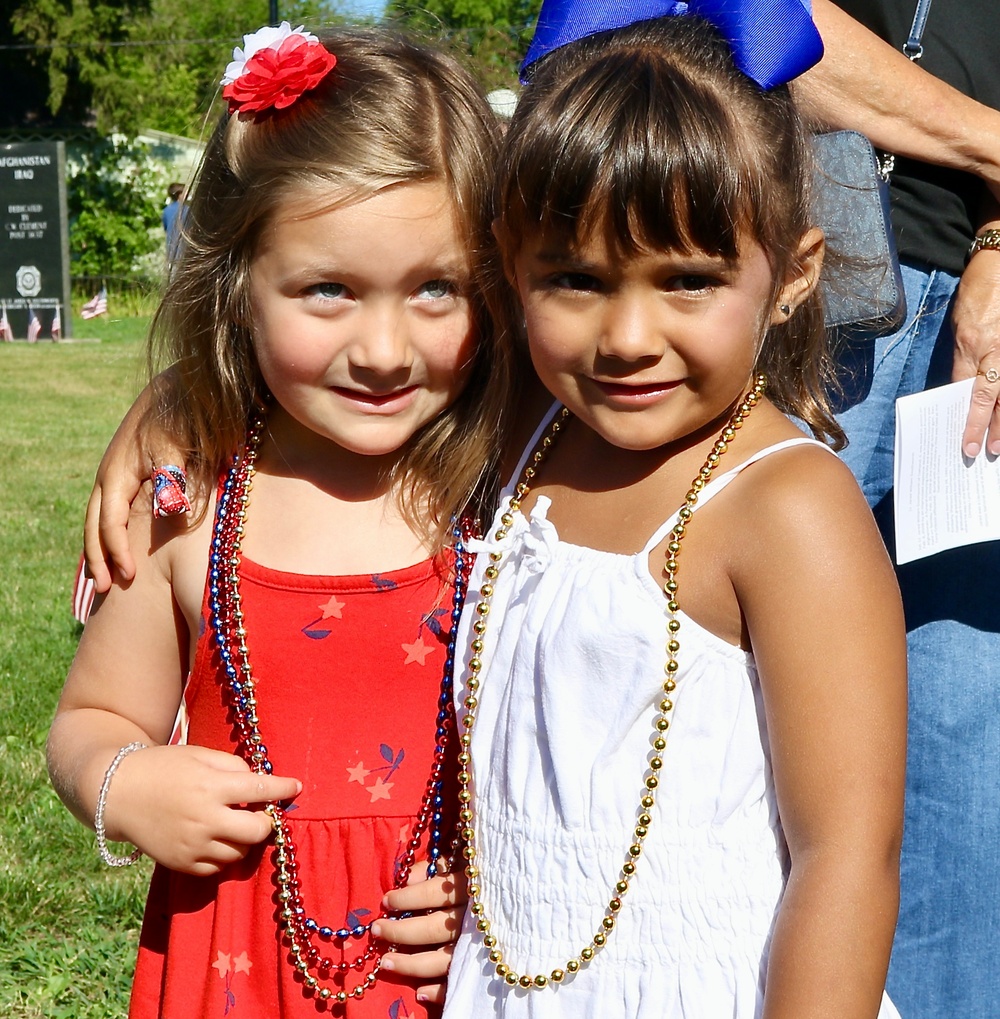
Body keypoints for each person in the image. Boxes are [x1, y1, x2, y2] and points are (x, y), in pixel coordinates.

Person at [437, 8, 906, 1018]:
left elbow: (847, 855)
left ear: (791, 275)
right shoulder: (529, 433)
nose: (627, 336)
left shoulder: (786, 506)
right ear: (510, 266)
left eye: (688, 280)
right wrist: (169, 416)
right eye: (574, 279)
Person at [47, 23, 509, 1019]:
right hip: (229, 963)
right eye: (327, 290)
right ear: (237, 289)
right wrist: (124, 782)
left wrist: (503, 891)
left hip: (450, 970)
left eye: (438, 287)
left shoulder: (511, 492)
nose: (385, 348)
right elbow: (90, 719)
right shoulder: (193, 506)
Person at [795, 4, 1000, 1016]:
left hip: (977, 299)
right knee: (745, 698)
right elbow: (779, 34)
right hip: (794, 274)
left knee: (962, 716)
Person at [161, 182, 188, 265]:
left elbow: (166, 229)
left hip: (172, 252)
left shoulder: (166, 211)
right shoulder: (188, 210)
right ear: (179, 194)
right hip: (186, 251)